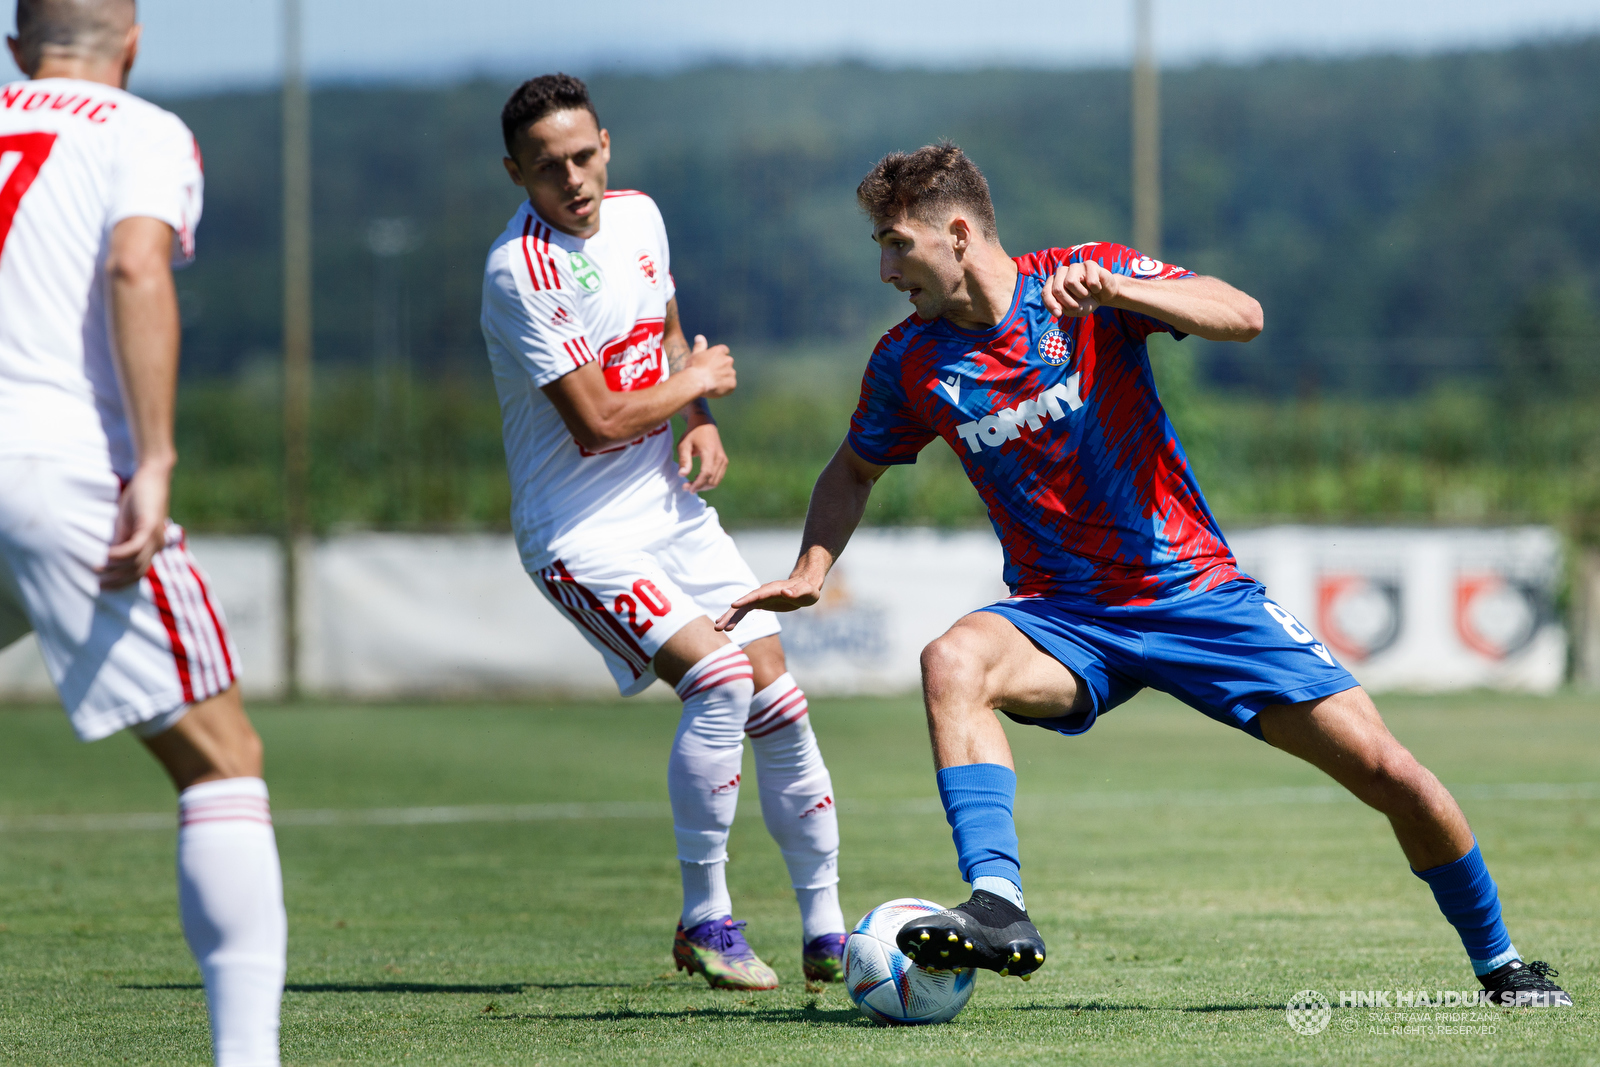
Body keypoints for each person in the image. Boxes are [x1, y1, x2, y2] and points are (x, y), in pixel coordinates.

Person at [719, 142, 1570, 1008]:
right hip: (1063, 617)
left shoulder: (1085, 280)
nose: (884, 267)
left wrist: (1126, 291)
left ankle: (1502, 964)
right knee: (953, 661)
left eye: (897, 243)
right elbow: (851, 469)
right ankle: (1000, 905)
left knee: (1390, 772)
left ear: (960, 234)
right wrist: (811, 566)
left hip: (1193, 595)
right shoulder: (908, 362)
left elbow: (1243, 315)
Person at [479, 73, 846, 991]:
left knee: (781, 701)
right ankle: (707, 919)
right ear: (515, 173)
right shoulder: (518, 271)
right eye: (546, 167)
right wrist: (699, 385)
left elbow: (671, 329)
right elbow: (598, 420)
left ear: (607, 143)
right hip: (579, 532)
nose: (572, 179)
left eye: (582, 156)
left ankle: (828, 930)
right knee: (719, 679)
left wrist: (700, 420)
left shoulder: (640, 216)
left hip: (669, 514)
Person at [0, 2, 287, 1064]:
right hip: (55, 468)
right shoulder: (140, 127)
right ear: (130, 42)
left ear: (14, 44)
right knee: (222, 761)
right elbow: (134, 267)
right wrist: (155, 458)